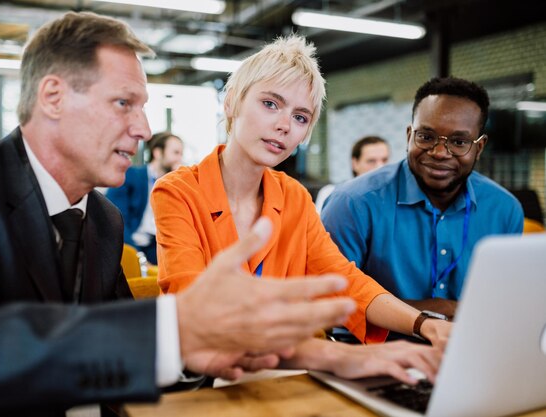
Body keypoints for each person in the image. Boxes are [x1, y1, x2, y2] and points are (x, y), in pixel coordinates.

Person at [0, 12, 363, 416]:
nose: (144, 129)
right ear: (53, 97)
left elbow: (126, 357)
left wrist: (189, 356)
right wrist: (175, 331)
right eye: (123, 103)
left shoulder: (102, 221)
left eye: (144, 107)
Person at [152, 35, 448, 385]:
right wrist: (341, 356)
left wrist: (425, 324)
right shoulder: (177, 191)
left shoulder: (293, 196)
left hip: (280, 373)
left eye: (301, 117)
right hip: (203, 380)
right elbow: (198, 314)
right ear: (231, 102)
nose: (285, 125)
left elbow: (345, 280)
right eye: (270, 104)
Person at [322, 76, 524, 320]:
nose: (439, 153)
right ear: (409, 136)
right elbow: (331, 302)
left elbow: (503, 302)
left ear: (479, 148)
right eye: (426, 137)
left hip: (469, 349)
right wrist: (442, 310)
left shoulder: (504, 210)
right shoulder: (353, 203)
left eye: (459, 142)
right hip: (373, 351)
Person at [107, 131, 184, 264]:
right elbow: (116, 221)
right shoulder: (130, 176)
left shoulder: (174, 184)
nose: (180, 159)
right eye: (176, 153)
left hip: (155, 246)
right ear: (158, 153)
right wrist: (138, 257)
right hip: (130, 245)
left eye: (181, 154)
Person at [315, 135, 390, 213]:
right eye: (371, 161)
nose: (380, 167)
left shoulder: (393, 196)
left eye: (384, 160)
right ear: (355, 163)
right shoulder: (331, 193)